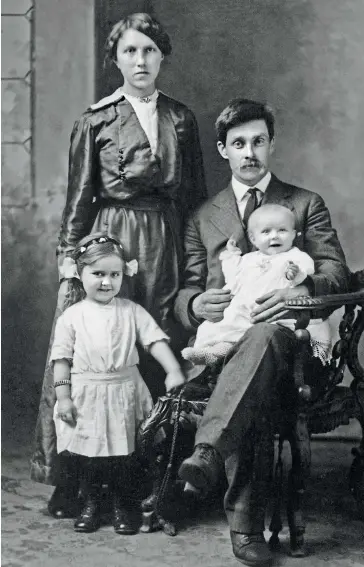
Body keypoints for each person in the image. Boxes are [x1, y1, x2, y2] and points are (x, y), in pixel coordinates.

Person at [30, 12, 206, 516]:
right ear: (115, 59)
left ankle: (148, 477)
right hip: (111, 242)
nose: (140, 60)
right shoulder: (95, 120)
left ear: (163, 57)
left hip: (168, 242)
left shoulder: (182, 118)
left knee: (158, 349)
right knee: (98, 356)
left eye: (149, 51)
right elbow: (78, 200)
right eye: (130, 51)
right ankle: (82, 479)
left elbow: (195, 197)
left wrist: (201, 263)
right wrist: (70, 263)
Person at [175, 99, 349, 566]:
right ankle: (245, 525)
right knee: (252, 357)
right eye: (238, 144)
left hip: (292, 341)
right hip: (227, 345)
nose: (249, 152)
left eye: (258, 141)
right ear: (223, 150)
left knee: (264, 341)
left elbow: (337, 273)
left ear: (271, 144)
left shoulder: (305, 203)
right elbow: (187, 288)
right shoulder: (203, 216)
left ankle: (210, 456)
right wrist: (194, 304)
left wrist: (302, 290)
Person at [50, 233, 186, 533]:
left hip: (124, 390)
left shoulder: (131, 311)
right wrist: (63, 398)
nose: (107, 282)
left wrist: (173, 369)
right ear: (79, 273)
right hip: (86, 392)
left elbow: (154, 340)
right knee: (88, 456)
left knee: (125, 455)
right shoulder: (72, 317)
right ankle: (91, 504)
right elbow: (61, 360)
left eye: (115, 274)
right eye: (98, 274)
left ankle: (122, 506)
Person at [182, 204, 332, 366]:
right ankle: (212, 352)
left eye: (282, 230)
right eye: (266, 232)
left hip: (273, 313)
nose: (274, 237)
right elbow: (233, 275)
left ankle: (223, 352)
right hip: (244, 307)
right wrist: (231, 256)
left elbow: (306, 273)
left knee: (249, 333)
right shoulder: (249, 258)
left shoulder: (296, 257)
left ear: (294, 235)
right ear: (254, 239)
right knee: (220, 325)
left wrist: (295, 274)